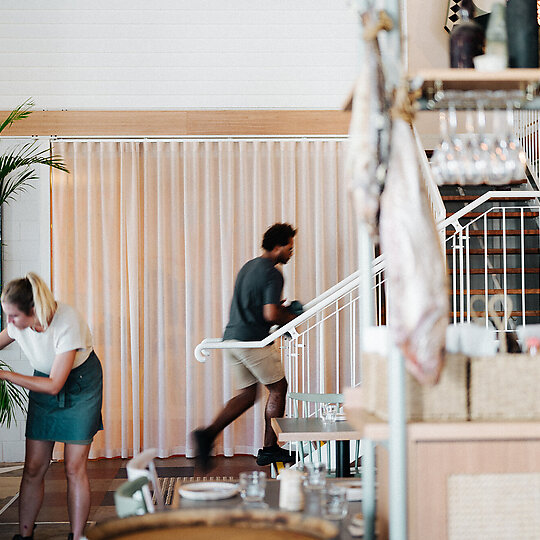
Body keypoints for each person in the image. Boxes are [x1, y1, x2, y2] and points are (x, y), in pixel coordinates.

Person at [0, 273, 103, 540]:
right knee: (34, 466)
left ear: (33, 311)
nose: (9, 322)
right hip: (42, 382)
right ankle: (24, 535)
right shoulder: (18, 324)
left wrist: (5, 374)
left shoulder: (67, 321)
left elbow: (55, 384)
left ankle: (77, 536)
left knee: (73, 466)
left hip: (80, 386)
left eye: (13, 316)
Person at [193, 223, 300, 471]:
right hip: (251, 341)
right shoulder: (273, 273)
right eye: (289, 247)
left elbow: (257, 307)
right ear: (277, 246)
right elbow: (270, 313)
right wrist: (290, 318)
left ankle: (207, 434)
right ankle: (270, 448)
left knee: (247, 394)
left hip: (231, 339)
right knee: (278, 388)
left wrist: (278, 309)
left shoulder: (249, 266)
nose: (291, 253)